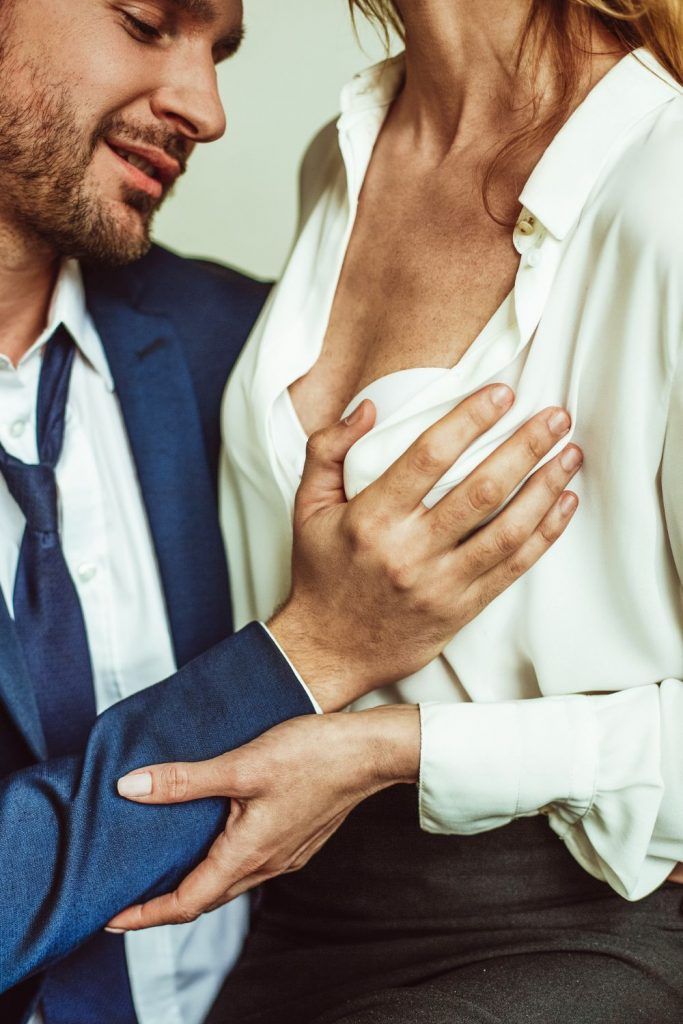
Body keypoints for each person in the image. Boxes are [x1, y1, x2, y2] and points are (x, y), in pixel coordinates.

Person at [0, 1, 578, 1021]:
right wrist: (314, 650)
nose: (206, 108)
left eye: (219, 53)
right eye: (146, 23)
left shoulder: (250, 356)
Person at [110, 1, 683, 1022]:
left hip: (573, 920)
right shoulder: (341, 153)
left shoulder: (663, 179)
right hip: (289, 904)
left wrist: (393, 749)